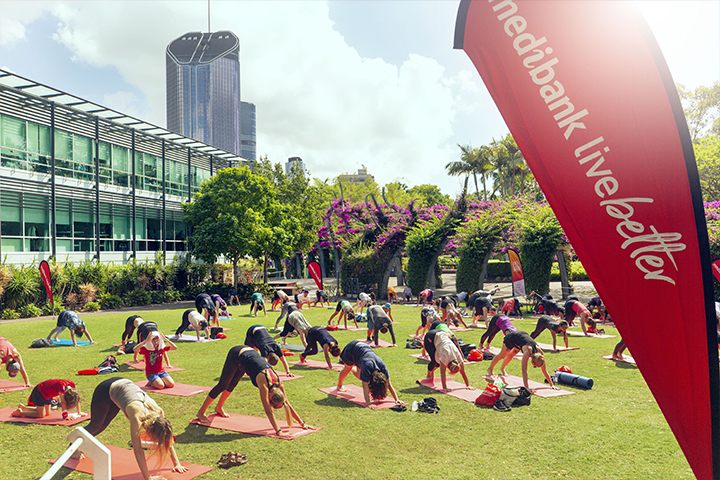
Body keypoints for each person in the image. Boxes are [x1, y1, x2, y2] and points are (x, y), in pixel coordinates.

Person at [84, 377, 187, 480]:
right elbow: (137, 449)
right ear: (150, 431)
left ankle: (80, 441)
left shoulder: (159, 412)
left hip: (121, 388)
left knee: (103, 426)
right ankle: (73, 445)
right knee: (96, 426)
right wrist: (148, 477)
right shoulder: (137, 416)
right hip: (105, 389)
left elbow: (167, 439)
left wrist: (177, 464)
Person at [196, 346, 312, 437]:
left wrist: (302, 423)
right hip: (237, 354)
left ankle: (219, 408)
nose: (272, 407)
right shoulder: (264, 385)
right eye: (273, 405)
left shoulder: (279, 384)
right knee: (223, 385)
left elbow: (287, 404)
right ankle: (201, 412)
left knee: (232, 384)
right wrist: (278, 431)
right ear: (270, 398)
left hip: (248, 358)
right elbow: (268, 411)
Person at [337, 340, 404, 409]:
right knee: (347, 369)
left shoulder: (382, 367)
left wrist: (396, 399)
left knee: (360, 376)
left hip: (362, 352)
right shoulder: (367, 366)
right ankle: (339, 385)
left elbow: (389, 384)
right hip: (351, 349)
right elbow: (365, 386)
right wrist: (368, 403)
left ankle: (355, 367)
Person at [487, 330, 558, 393]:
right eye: (535, 366)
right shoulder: (527, 352)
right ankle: (490, 369)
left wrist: (551, 385)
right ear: (532, 361)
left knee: (511, 355)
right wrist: (527, 388)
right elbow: (524, 371)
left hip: (520, 340)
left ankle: (502, 369)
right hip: (512, 338)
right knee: (502, 355)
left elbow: (544, 370)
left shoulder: (540, 354)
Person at [12, 379, 83, 419]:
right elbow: (63, 402)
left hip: (48, 395)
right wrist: (65, 416)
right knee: (41, 415)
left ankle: (24, 407)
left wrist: (79, 412)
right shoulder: (62, 388)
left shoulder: (71, 386)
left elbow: (76, 398)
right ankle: (20, 413)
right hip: (39, 392)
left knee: (47, 413)